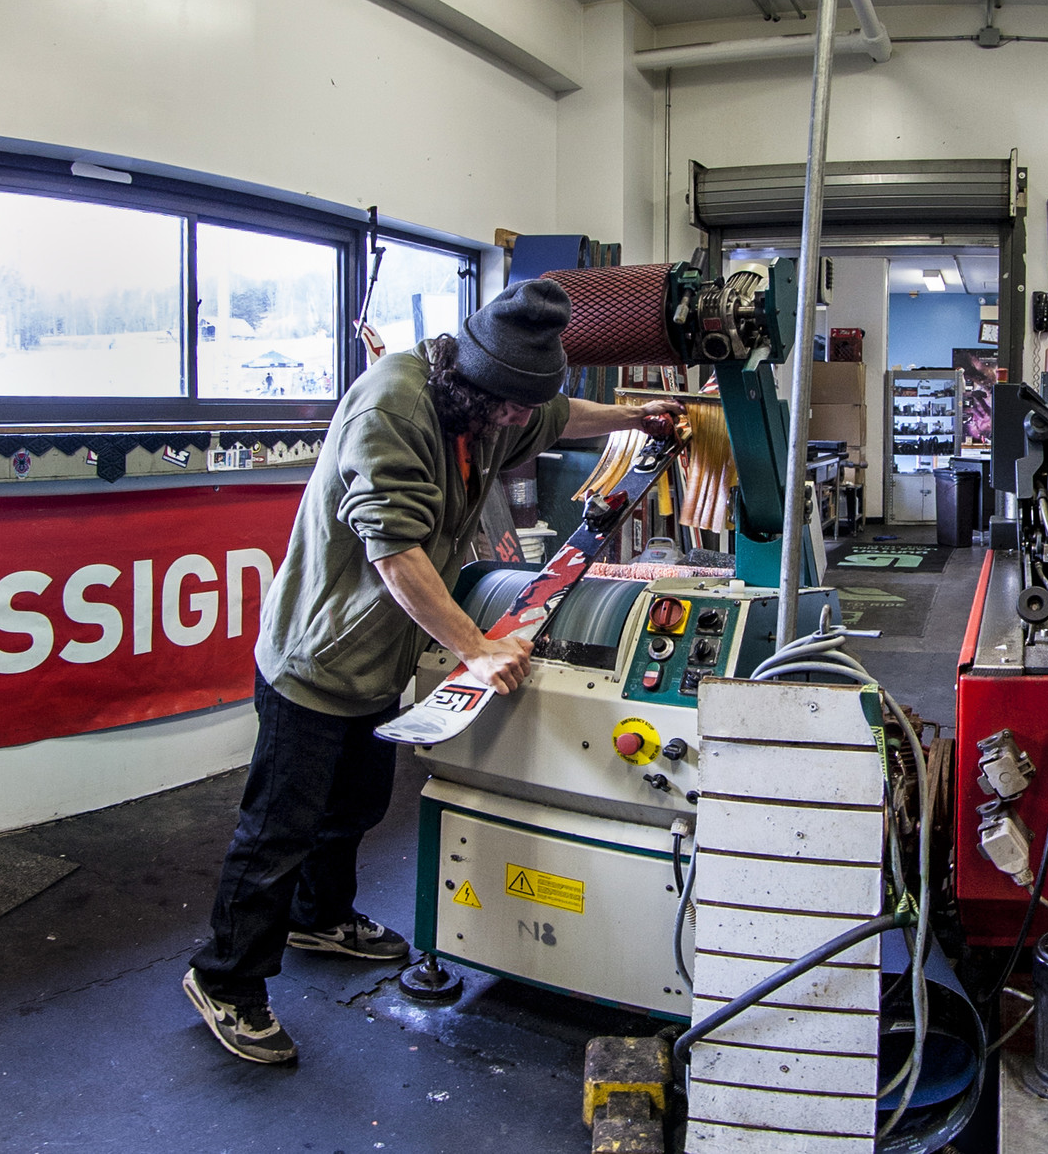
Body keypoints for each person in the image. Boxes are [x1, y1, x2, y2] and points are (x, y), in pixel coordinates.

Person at [184, 280, 684, 1063]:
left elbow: (554, 416)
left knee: (354, 802)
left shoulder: (492, 399)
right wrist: (477, 646)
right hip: (319, 652)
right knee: (279, 826)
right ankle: (226, 978)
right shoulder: (397, 408)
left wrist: (634, 416)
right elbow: (395, 553)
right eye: (510, 408)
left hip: (382, 654)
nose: (519, 423)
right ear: (470, 380)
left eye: (525, 407)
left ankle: (322, 914)